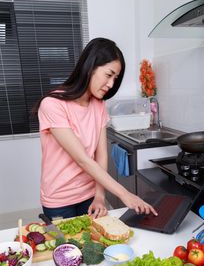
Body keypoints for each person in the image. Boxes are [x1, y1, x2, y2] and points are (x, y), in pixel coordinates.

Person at [34, 37, 157, 220]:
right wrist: (124, 194)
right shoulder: (52, 104)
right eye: (109, 75)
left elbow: (101, 155)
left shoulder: (98, 105)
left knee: (93, 245)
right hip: (59, 198)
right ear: (90, 67)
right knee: (69, 247)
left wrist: (100, 196)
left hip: (89, 194)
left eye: (115, 78)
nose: (111, 84)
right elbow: (82, 159)